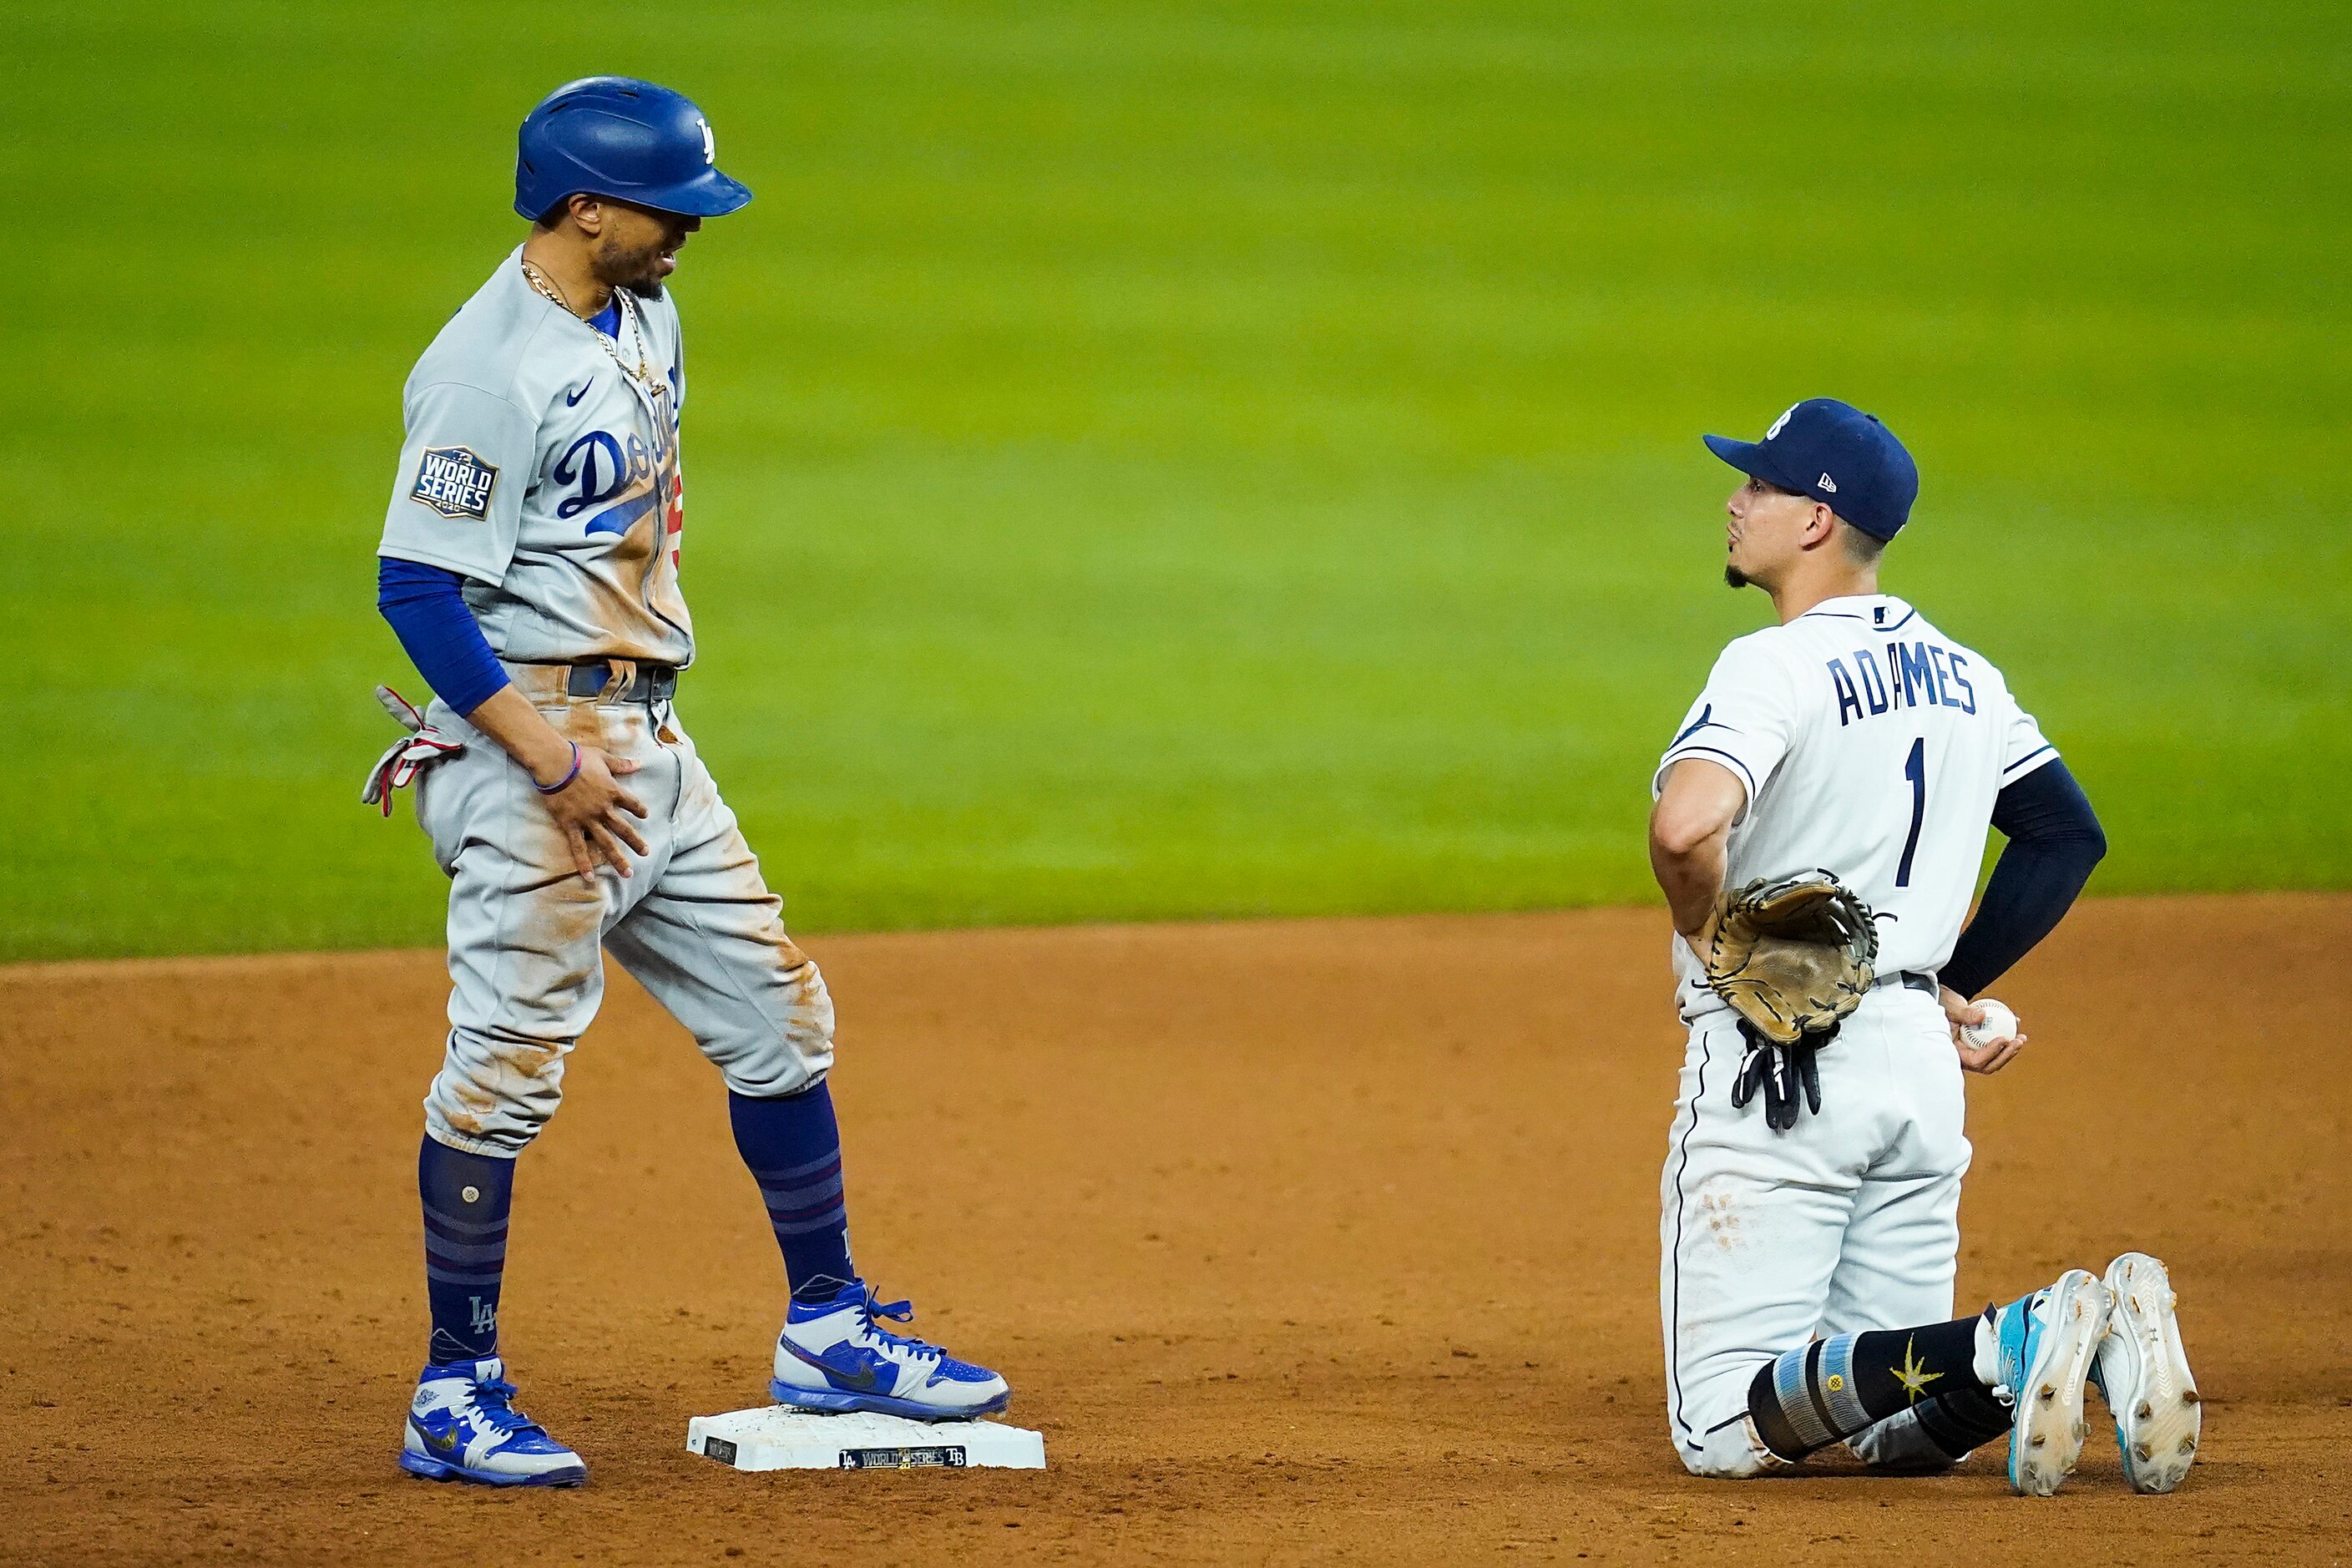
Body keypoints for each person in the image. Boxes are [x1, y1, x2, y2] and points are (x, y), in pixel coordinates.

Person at [368, 77, 1007, 1489]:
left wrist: (615, 754)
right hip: (531, 745)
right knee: (504, 1073)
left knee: (779, 1013)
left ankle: (829, 1324)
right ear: (583, 207)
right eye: (671, 209)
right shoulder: (487, 368)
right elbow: (414, 585)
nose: (691, 233)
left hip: (649, 740)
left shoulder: (642, 308)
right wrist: (548, 762)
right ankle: (452, 1387)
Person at [1647, 398, 2198, 1495]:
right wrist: (1941, 983)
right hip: (1913, 1066)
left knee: (1721, 1425)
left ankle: (2015, 1338)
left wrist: (1706, 928)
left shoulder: (1774, 666)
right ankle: (2085, 1335)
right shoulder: (1967, 675)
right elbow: (2062, 834)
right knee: (1877, 1424)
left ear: (1814, 520)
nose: (1733, 498)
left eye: (1757, 484)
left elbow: (1684, 824)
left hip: (1780, 1069)